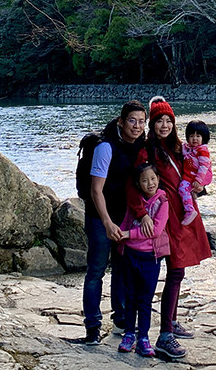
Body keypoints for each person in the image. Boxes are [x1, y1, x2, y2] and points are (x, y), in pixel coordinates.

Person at [127, 96, 212, 360]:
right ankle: (164, 335)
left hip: (185, 212)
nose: (164, 125)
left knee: (179, 271)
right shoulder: (147, 150)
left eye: (168, 121)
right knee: (175, 270)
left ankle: (171, 321)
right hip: (167, 217)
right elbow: (134, 185)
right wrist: (142, 214)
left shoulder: (179, 147)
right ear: (152, 124)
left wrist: (201, 185)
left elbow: (197, 171)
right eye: (159, 121)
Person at [83, 100, 147, 345]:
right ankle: (92, 327)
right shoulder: (105, 147)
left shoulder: (140, 145)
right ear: (121, 122)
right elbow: (95, 190)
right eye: (132, 120)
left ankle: (120, 319)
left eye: (141, 121)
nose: (137, 126)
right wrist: (108, 223)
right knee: (96, 271)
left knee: (122, 270)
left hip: (125, 218)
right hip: (100, 218)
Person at [116, 162, 170, 357]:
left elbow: (155, 231)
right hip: (131, 254)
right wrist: (120, 237)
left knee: (145, 299)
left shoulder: (162, 202)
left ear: (158, 180)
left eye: (153, 179)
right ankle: (129, 334)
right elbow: (126, 221)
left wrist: (128, 234)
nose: (150, 183)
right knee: (130, 297)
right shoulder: (135, 201)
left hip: (150, 257)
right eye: (145, 180)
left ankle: (143, 338)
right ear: (138, 184)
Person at [178, 120, 212, 225]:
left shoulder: (202, 150)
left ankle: (189, 210)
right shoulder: (189, 148)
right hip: (192, 175)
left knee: (182, 188)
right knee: (185, 188)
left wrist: (198, 180)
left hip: (199, 176)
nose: (195, 139)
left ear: (203, 137)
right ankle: (192, 197)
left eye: (198, 136)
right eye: (191, 136)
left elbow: (204, 166)